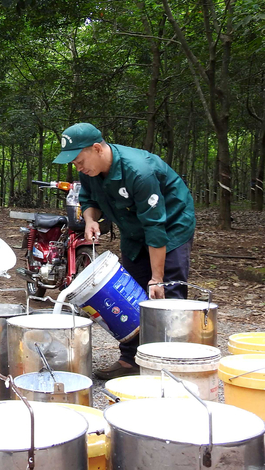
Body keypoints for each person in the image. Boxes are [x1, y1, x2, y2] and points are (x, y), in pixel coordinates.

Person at [53, 122, 195, 379]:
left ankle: (170, 364)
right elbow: (89, 200)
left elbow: (155, 227)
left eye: (79, 160)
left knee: (165, 294)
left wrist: (157, 277)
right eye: (74, 163)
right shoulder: (90, 171)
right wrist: (90, 219)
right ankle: (131, 360)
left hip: (169, 228)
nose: (78, 167)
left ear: (97, 148)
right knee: (127, 291)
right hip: (133, 230)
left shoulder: (139, 172)